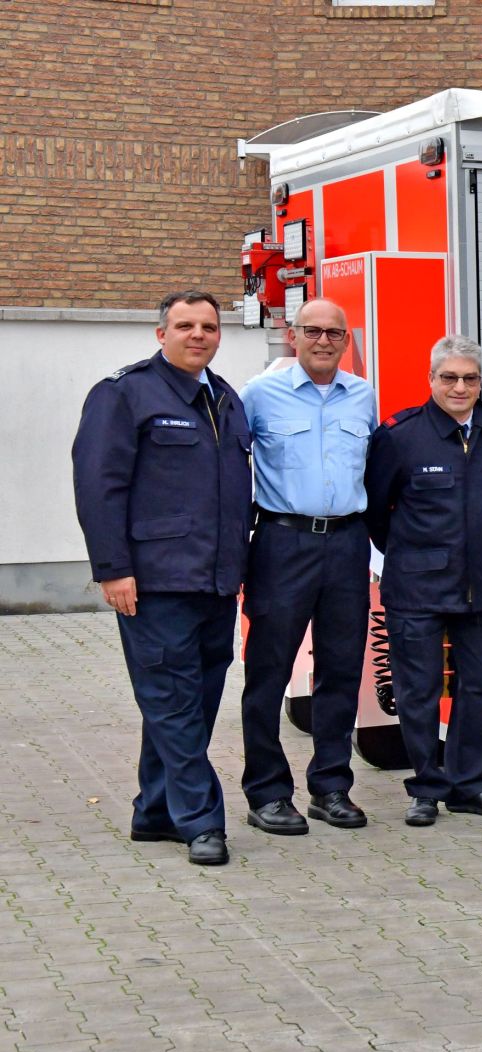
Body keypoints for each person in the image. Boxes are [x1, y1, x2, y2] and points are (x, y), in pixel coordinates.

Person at [73, 290, 253, 866]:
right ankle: (201, 821)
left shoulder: (224, 398)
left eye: (208, 326)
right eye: (185, 325)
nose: (198, 335)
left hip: (216, 582)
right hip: (154, 583)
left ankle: (154, 812)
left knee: (189, 703)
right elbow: (99, 486)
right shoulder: (124, 394)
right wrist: (113, 569)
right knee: (173, 703)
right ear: (161, 334)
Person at [365, 335, 482, 827]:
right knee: (418, 691)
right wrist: (413, 556)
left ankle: (470, 786)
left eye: (469, 378)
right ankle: (427, 788)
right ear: (431, 379)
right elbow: (375, 510)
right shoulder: (400, 435)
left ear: (480, 382)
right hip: (417, 588)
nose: (459, 387)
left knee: (478, 689)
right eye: (449, 377)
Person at [238, 298, 378, 835]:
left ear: (347, 341)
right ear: (293, 336)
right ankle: (268, 794)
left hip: (347, 544)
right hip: (282, 543)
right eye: (313, 331)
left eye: (334, 333)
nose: (323, 341)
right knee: (268, 672)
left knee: (341, 670)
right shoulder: (259, 395)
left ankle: (331, 787)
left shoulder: (363, 396)